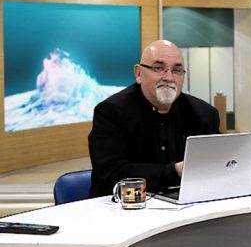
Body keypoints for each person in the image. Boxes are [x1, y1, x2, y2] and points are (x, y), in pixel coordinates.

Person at [88, 39, 220, 197]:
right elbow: (112, 175)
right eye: (158, 68)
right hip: (125, 205)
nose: (169, 77)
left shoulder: (205, 114)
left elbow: (218, 166)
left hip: (190, 203)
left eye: (177, 70)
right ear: (138, 73)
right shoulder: (111, 113)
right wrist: (175, 170)